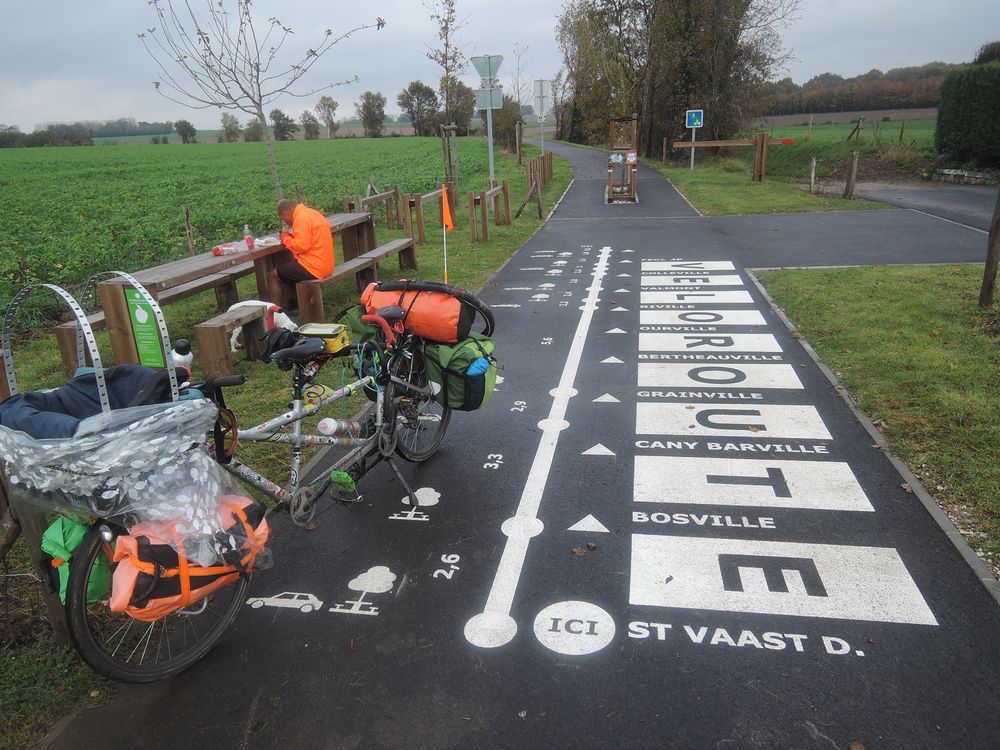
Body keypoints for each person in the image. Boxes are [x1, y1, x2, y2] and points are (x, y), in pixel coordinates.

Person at [268, 199, 335, 311]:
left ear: (285, 213)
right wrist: (292, 236)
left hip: (315, 267)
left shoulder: (301, 219)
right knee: (288, 269)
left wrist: (285, 238)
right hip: (327, 264)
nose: (284, 221)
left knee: (272, 275)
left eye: (282, 218)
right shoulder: (312, 213)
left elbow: (301, 246)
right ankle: (294, 305)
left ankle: (274, 312)